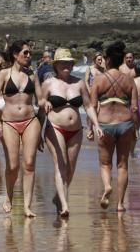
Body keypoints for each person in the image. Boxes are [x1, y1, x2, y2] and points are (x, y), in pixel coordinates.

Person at [42, 48, 102, 217]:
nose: (66, 65)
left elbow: (88, 106)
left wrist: (96, 125)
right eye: (63, 63)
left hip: (76, 130)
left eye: (69, 62)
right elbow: (40, 105)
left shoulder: (79, 83)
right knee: (60, 165)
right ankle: (64, 205)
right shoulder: (49, 83)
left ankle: (58, 197)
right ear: (56, 65)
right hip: (55, 128)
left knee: (70, 168)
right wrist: (44, 105)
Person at [0, 39, 44, 217]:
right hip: (9, 122)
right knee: (12, 166)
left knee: (29, 164)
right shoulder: (4, 74)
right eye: (25, 53)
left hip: (30, 121)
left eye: (29, 53)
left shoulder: (33, 75)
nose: (28, 56)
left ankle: (27, 205)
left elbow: (40, 101)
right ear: (15, 55)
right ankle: (9, 197)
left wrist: (48, 104)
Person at [92, 41, 138, 212]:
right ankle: (120, 204)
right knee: (123, 165)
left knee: (105, 164)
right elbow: (134, 108)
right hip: (125, 123)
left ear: (108, 60)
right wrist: (136, 129)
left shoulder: (98, 80)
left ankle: (107, 187)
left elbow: (92, 106)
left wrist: (90, 128)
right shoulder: (129, 81)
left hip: (105, 124)